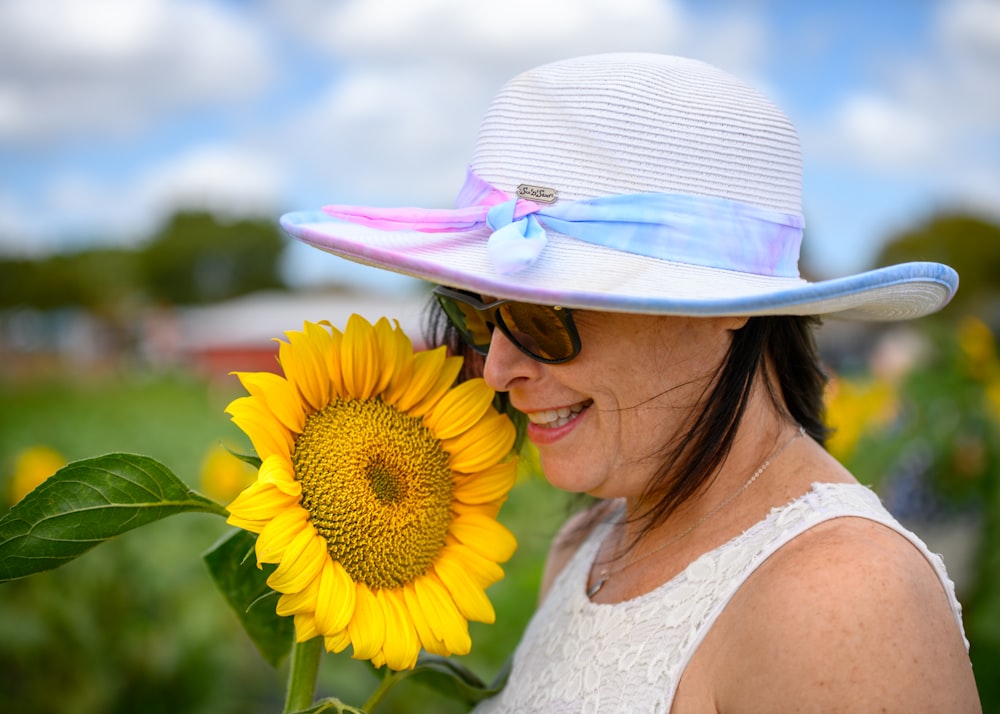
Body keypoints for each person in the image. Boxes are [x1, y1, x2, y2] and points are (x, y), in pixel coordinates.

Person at [281, 54, 981, 712]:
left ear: (729, 305)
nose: (497, 367)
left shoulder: (842, 598)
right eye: (475, 313)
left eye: (542, 316)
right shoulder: (590, 542)